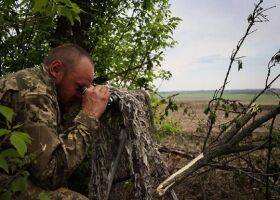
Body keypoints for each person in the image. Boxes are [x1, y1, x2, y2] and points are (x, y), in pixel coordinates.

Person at [0, 44, 110, 199]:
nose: (82, 96)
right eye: (80, 88)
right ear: (56, 69)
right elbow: (49, 174)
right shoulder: (34, 93)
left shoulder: (33, 81)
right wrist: (90, 115)